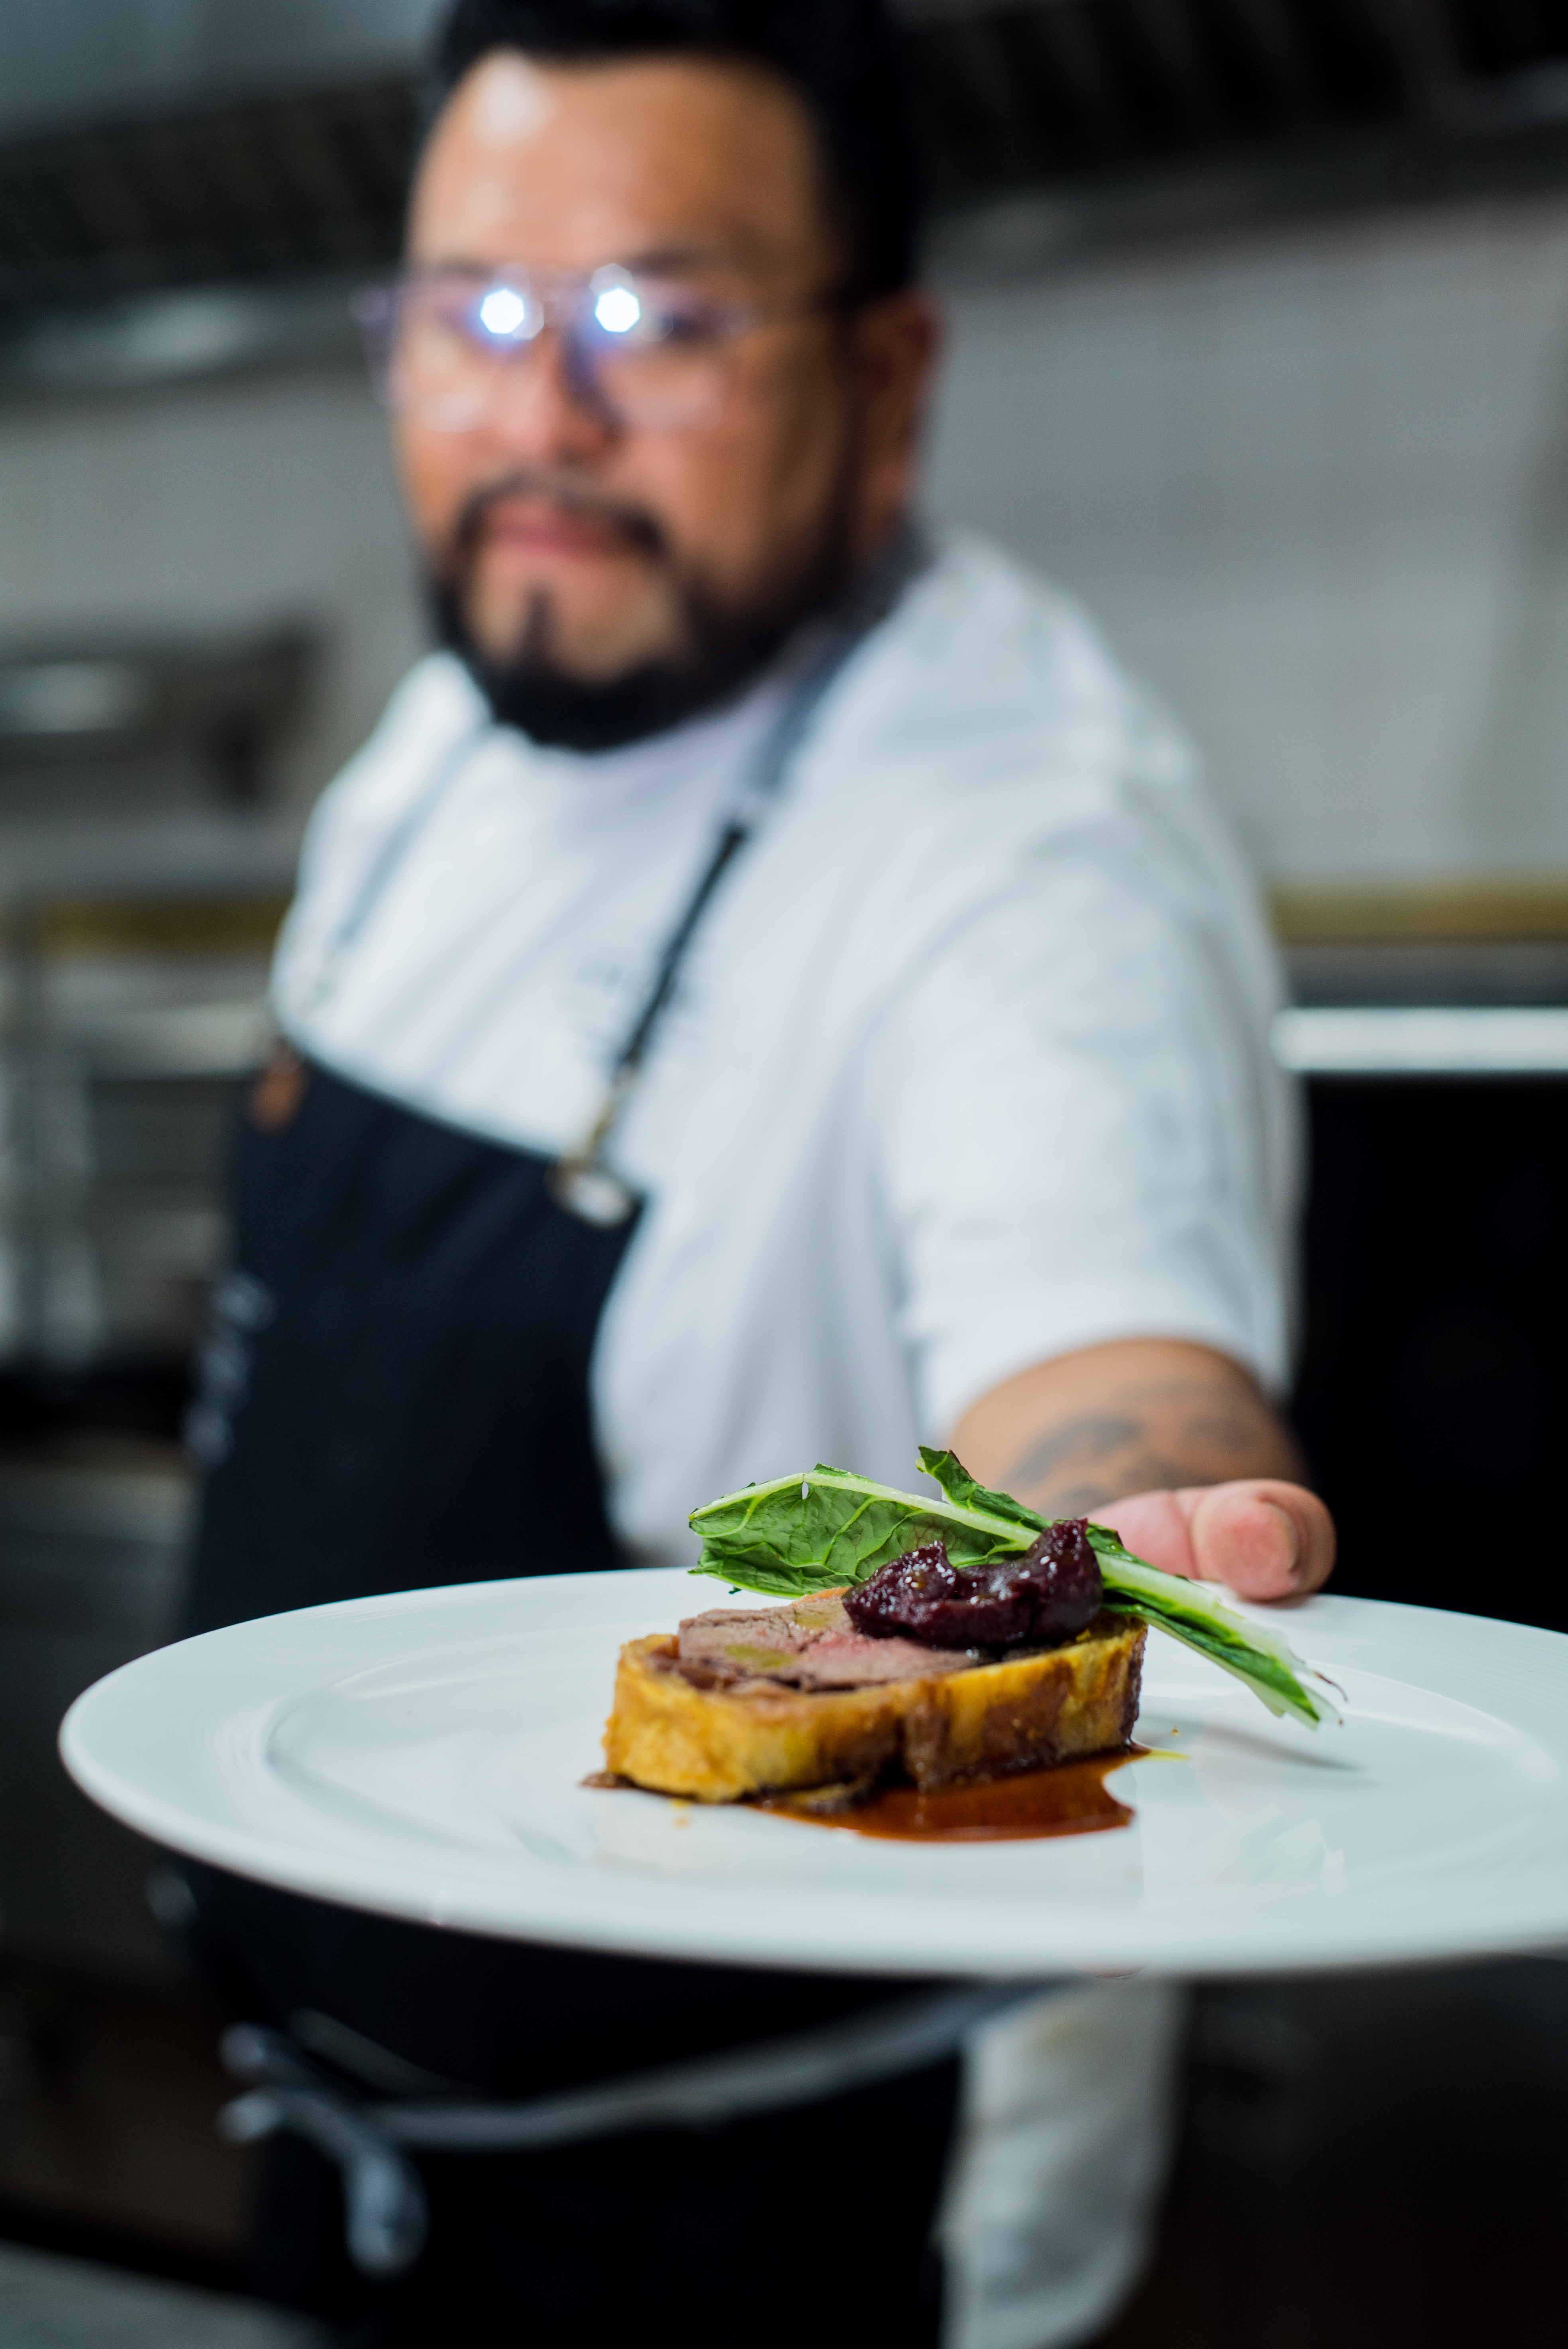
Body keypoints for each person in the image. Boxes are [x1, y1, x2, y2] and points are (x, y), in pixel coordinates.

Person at [179, 3, 1335, 2344]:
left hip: (760, 2216)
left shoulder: (1027, 847)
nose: (541, 415)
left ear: (889, 375)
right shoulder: (453, 730)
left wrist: (1134, 1516)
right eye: (472, 316)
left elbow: (1104, 1358)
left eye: (659, 320)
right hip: (345, 2148)